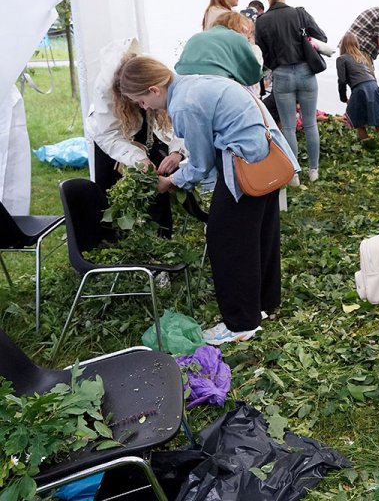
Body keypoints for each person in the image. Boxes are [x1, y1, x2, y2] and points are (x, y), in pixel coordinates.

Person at [113, 56, 299, 345]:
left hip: (244, 164)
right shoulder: (193, 83)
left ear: (153, 90)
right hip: (265, 158)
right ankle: (264, 303)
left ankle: (240, 323)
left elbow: (201, 163)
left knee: (225, 239)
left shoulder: (183, 104)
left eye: (140, 100)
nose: (143, 107)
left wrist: (172, 181)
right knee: (260, 233)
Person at [91, 38, 186, 235]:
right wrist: (138, 158)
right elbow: (108, 134)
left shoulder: (155, 76)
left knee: (156, 176)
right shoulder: (105, 89)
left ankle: (160, 235)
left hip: (149, 127)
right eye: (136, 101)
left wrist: (177, 151)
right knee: (110, 188)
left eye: (142, 101)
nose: (141, 106)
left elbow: (179, 118)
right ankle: (111, 238)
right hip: (113, 133)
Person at [255, 0, 327, 184]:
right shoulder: (300, 13)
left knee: (287, 127)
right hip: (306, 72)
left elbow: (262, 53)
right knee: (310, 123)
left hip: (282, 75)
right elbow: (321, 37)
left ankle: (293, 174)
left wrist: (274, 65)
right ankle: (314, 171)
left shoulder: (262, 21)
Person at [175, 12, 263, 89]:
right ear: (243, 28)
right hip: (216, 85)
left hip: (183, 84)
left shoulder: (195, 37)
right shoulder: (236, 38)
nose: (248, 36)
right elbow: (253, 75)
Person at [336, 32, 379, 148]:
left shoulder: (341, 59)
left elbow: (341, 81)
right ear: (357, 44)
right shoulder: (363, 57)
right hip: (375, 88)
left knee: (358, 122)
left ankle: (368, 148)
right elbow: (371, 74)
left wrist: (343, 97)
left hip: (360, 89)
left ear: (342, 45)